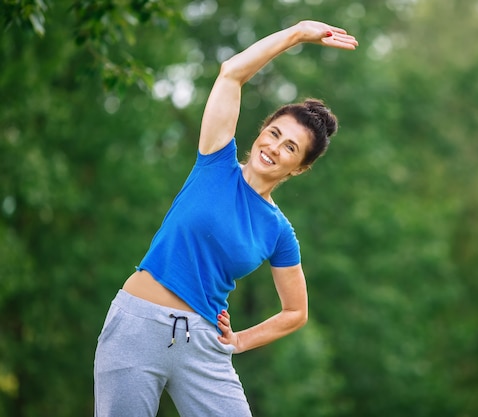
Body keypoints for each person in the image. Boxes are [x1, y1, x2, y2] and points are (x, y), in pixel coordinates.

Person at [93, 20, 358, 417]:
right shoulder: (216, 161)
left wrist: (239, 342)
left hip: (202, 345)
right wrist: (297, 34)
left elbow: (295, 312)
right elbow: (232, 72)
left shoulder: (280, 232)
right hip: (136, 326)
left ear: (298, 169)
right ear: (261, 131)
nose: (274, 148)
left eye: (290, 148)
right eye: (274, 133)